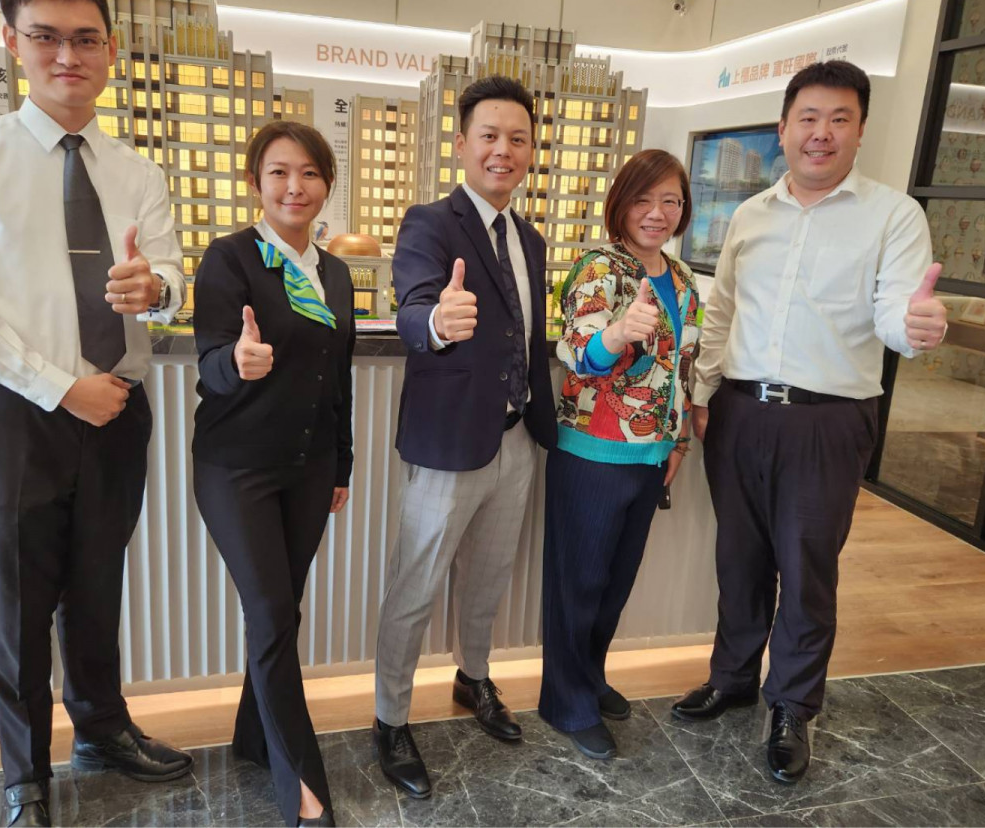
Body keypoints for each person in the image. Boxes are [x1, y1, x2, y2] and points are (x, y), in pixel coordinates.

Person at [0, 0, 192, 828]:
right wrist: (60, 386)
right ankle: (24, 773)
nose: (68, 56)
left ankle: (101, 730)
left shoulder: (138, 172)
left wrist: (159, 290)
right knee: (20, 603)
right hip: (15, 413)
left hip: (119, 409)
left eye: (86, 39)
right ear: (12, 41)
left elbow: (172, 280)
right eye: (46, 37)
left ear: (110, 49)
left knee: (98, 586)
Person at [671, 60, 948, 784]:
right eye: (809, 118)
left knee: (806, 567)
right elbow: (722, 311)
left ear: (860, 130)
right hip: (738, 412)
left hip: (828, 422)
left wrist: (916, 326)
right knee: (739, 559)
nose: (821, 133)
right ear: (785, 128)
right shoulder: (751, 215)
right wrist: (703, 395)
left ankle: (792, 705)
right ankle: (733, 677)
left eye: (839, 119)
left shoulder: (894, 215)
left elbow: (896, 312)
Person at [372, 75, 558, 798]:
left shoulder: (530, 239)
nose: (503, 150)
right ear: (460, 144)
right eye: (489, 136)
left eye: (517, 138)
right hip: (448, 444)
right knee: (415, 585)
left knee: (488, 578)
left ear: (531, 150)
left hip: (516, 438)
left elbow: (528, 338)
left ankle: (472, 677)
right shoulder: (429, 223)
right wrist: (436, 322)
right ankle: (390, 718)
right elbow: (414, 307)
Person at [192, 121, 354, 828]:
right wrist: (237, 363)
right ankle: (302, 787)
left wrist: (342, 463)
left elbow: (338, 378)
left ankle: (253, 738)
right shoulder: (231, 258)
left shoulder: (336, 272)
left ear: (327, 185)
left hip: (310, 469)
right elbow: (209, 361)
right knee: (269, 613)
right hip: (237, 468)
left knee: (282, 612)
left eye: (310, 173)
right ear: (256, 182)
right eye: (280, 172)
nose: (295, 187)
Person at [539, 150, 700, 760]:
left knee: (614, 583)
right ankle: (566, 702)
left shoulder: (681, 278)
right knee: (578, 583)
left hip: (651, 455)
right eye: (643, 199)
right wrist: (615, 334)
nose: (657, 213)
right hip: (592, 453)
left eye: (671, 201)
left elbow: (681, 368)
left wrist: (678, 440)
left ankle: (589, 675)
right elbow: (578, 355)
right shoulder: (599, 268)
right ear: (621, 205)